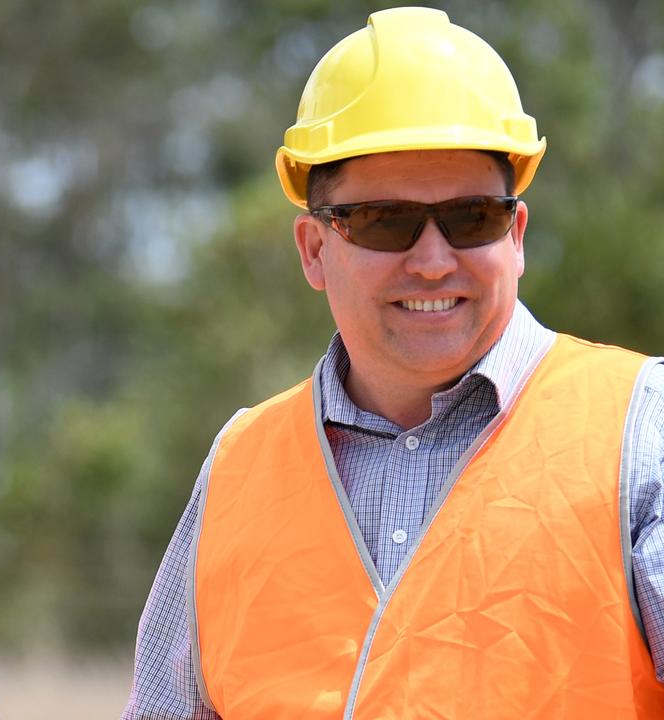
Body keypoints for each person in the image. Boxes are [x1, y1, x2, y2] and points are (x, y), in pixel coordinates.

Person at [123, 7, 664, 718]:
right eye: (386, 222)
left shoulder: (641, 430)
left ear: (518, 233)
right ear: (314, 250)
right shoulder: (238, 468)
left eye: (472, 218)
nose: (434, 261)